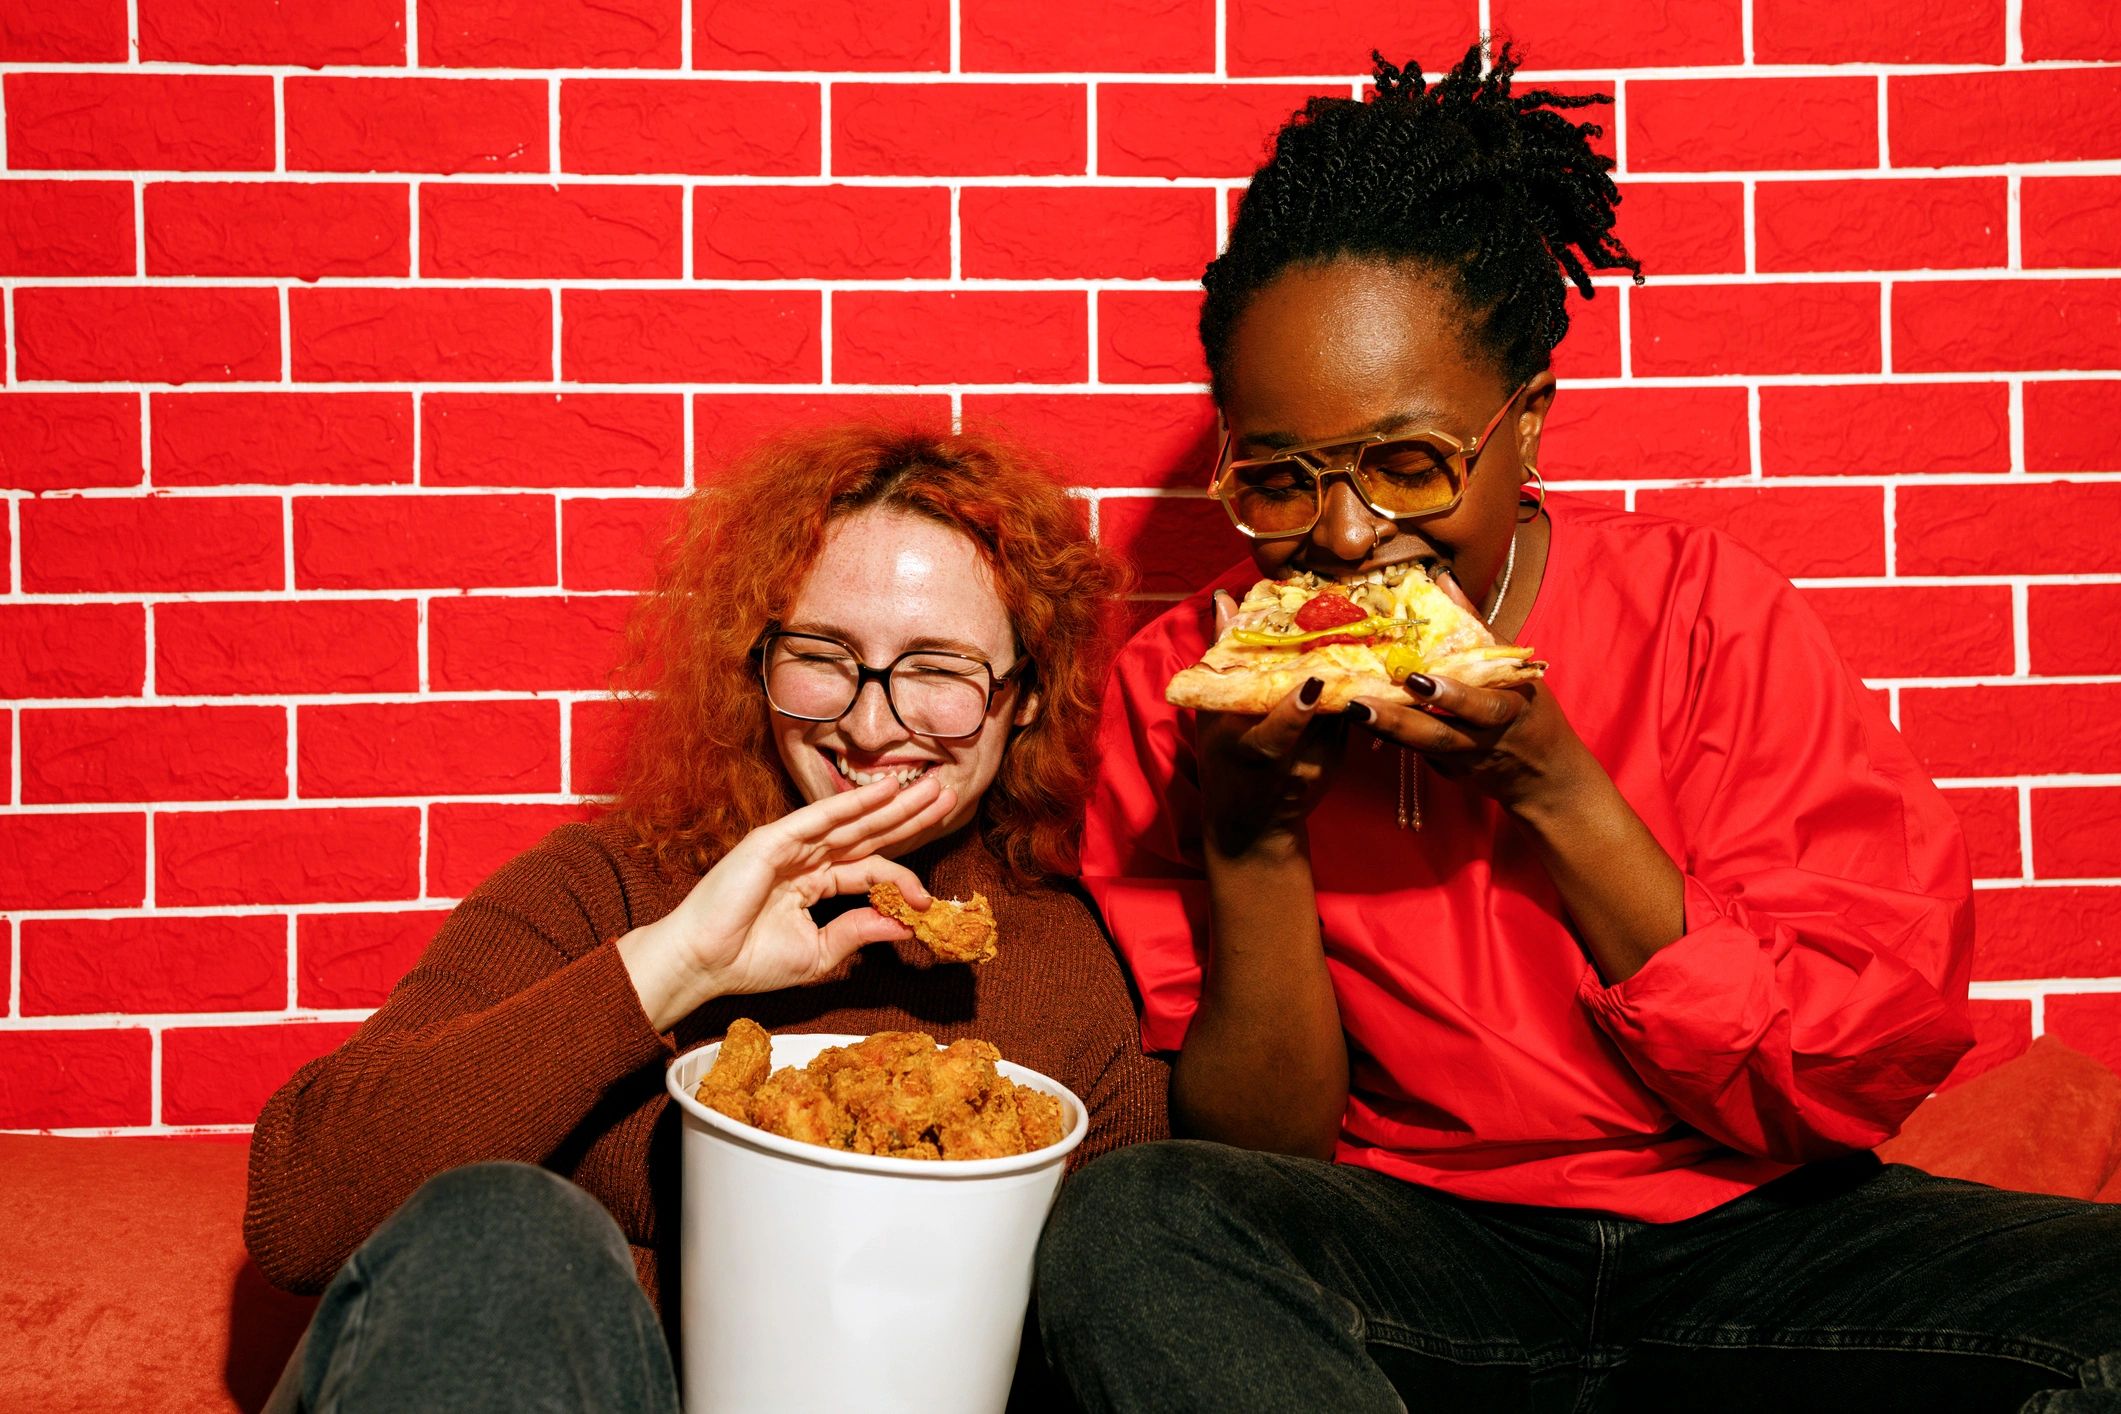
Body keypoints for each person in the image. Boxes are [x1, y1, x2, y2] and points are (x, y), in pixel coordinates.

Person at [1034, 44, 2121, 1414]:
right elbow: (1264, 1157)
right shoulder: (1177, 681)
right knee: (1134, 1223)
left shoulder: (1701, 611)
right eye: (1282, 478)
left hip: (1756, 1239)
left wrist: (1556, 786)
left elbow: (1838, 1082)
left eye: (1410, 462)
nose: (1350, 534)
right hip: (1420, 1255)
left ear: (1527, 425)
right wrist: (1255, 842)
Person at [244, 424, 1168, 1411]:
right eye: (824, 654)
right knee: (503, 1221)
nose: (868, 721)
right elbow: (301, 1211)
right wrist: (680, 961)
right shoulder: (602, 891)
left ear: (1023, 696)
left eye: (939, 670)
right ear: (757, 658)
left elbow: (1126, 1327)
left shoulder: (1077, 968)